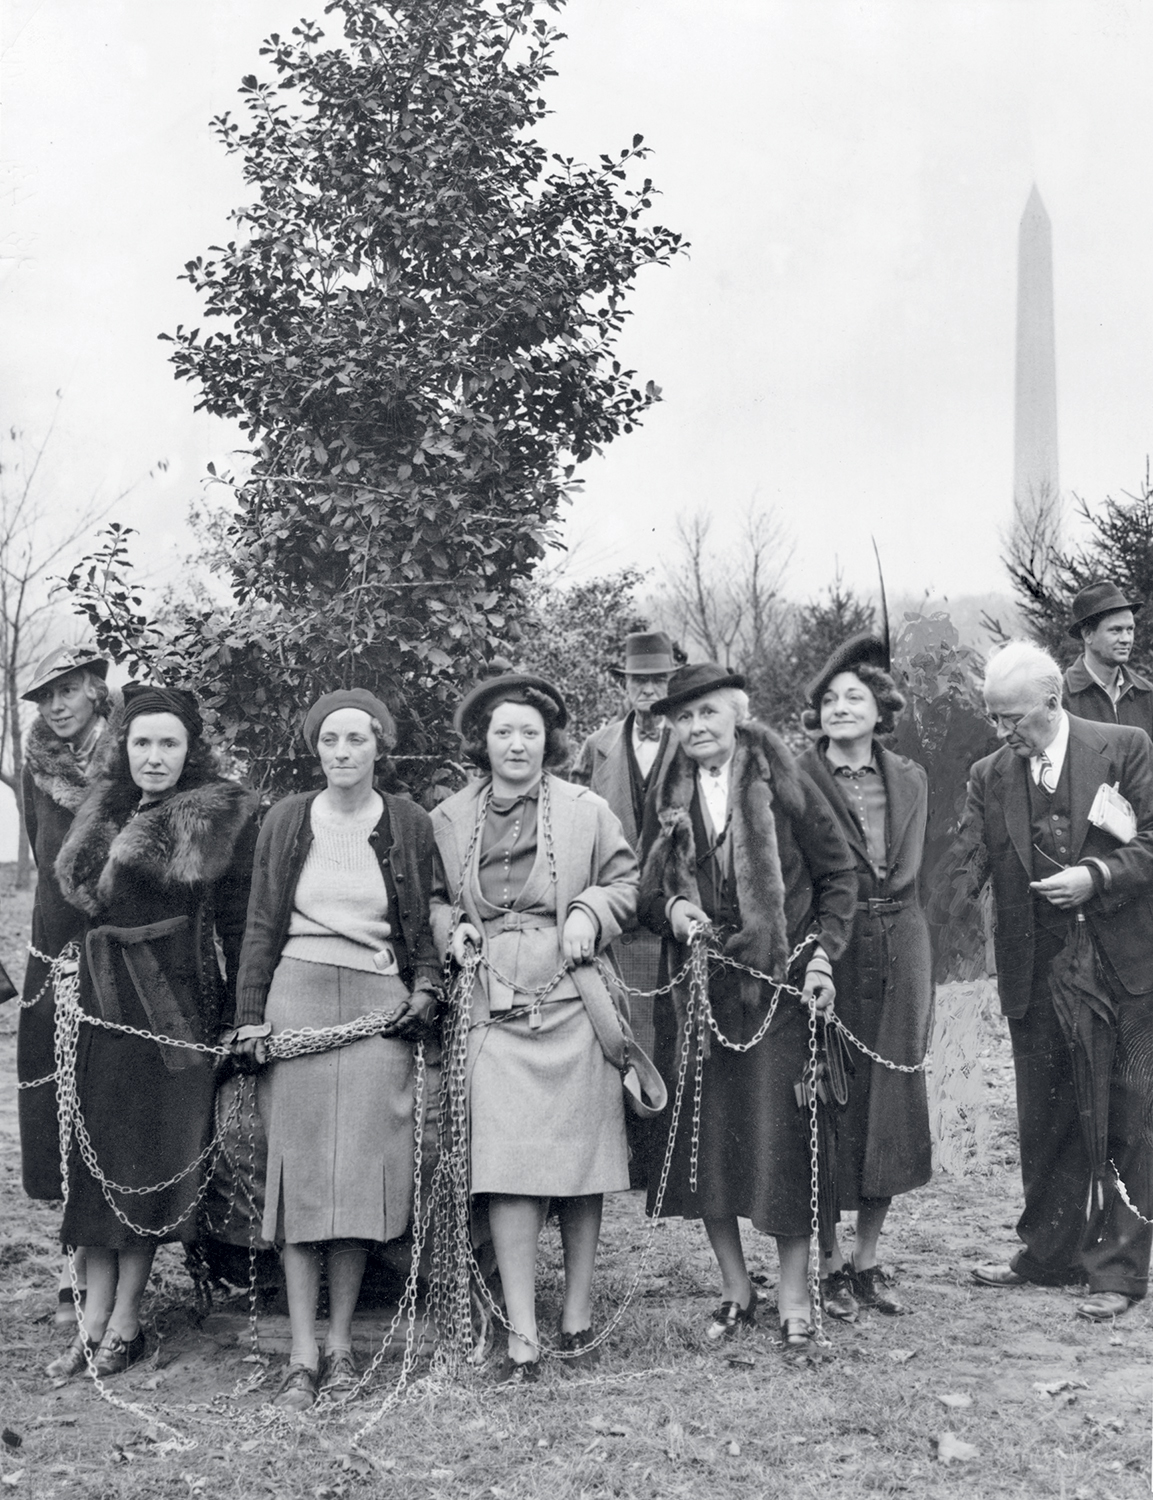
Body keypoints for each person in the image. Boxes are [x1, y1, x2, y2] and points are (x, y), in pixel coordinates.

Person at [231, 689, 440, 1412]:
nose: (343, 752)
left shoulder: (408, 822)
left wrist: (426, 987)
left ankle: (344, 1346)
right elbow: (261, 922)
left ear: (379, 745)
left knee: (358, 1178)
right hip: (298, 997)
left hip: (379, 1010)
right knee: (301, 1178)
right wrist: (252, 1016)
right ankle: (298, 1354)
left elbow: (423, 919)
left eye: (357, 739)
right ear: (316, 749)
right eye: (330, 740)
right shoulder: (287, 819)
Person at [638, 662, 856, 1347]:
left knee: (782, 1142)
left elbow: (839, 877)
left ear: (737, 713)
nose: (696, 727)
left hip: (779, 989)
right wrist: (673, 908)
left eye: (708, 713)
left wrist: (821, 954)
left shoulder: (784, 779)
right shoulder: (667, 791)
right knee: (708, 1143)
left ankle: (793, 1293)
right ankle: (735, 1289)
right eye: (683, 717)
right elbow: (645, 894)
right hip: (702, 995)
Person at [431, 671, 638, 1383]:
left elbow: (624, 883)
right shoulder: (449, 817)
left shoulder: (586, 809)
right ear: (481, 743)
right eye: (501, 732)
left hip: (574, 993)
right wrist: (450, 931)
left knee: (579, 1165)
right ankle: (522, 1333)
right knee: (508, 1168)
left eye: (528, 732)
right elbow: (431, 898)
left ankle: (575, 1315)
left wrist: (587, 911)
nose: (515, 744)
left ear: (548, 741)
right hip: (493, 999)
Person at [48, 684, 258, 1378]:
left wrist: (239, 1016)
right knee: (98, 1157)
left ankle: (125, 1321)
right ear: (123, 747)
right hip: (103, 1007)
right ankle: (92, 1316)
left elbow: (236, 925)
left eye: (169, 743)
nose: (155, 756)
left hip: (171, 1009)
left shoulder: (213, 815)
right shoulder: (104, 807)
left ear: (189, 749)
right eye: (142, 742)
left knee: (145, 1164)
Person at [959, 641, 1153, 1318]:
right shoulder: (990, 773)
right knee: (1043, 1116)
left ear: (1051, 702)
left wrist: (1095, 875)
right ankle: (1049, 1254)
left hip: (1119, 968)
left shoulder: (1125, 745)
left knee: (1128, 1115)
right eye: (991, 717)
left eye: (1010, 717)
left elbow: (1150, 841)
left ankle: (1116, 1274)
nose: (1000, 731)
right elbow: (968, 865)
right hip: (1033, 970)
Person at [798, 635, 932, 1319]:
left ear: (880, 709)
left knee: (890, 1101)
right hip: (830, 951)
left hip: (901, 948)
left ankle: (868, 1261)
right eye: (828, 699)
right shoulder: (796, 779)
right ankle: (824, 1264)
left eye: (854, 697)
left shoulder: (909, 777)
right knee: (826, 1097)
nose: (840, 707)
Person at [10, 644, 112, 1326]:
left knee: (110, 1098)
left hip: (117, 951)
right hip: (55, 949)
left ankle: (114, 1258)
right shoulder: (37, 771)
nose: (56, 706)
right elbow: (45, 861)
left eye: (68, 690)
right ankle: (75, 1259)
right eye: (46, 697)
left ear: (98, 690)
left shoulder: (135, 758)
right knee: (58, 1094)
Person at [570, 631, 679, 1063]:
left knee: (670, 1048)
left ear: (670, 683)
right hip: (617, 927)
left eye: (657, 680)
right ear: (624, 685)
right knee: (620, 1043)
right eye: (638, 681)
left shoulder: (691, 744)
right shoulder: (597, 748)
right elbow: (577, 834)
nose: (648, 690)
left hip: (671, 923)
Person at [1062, 581, 1153, 739]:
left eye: (1130, 629)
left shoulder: (1147, 694)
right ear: (1088, 635)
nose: (1126, 639)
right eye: (1116, 630)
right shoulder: (1061, 696)